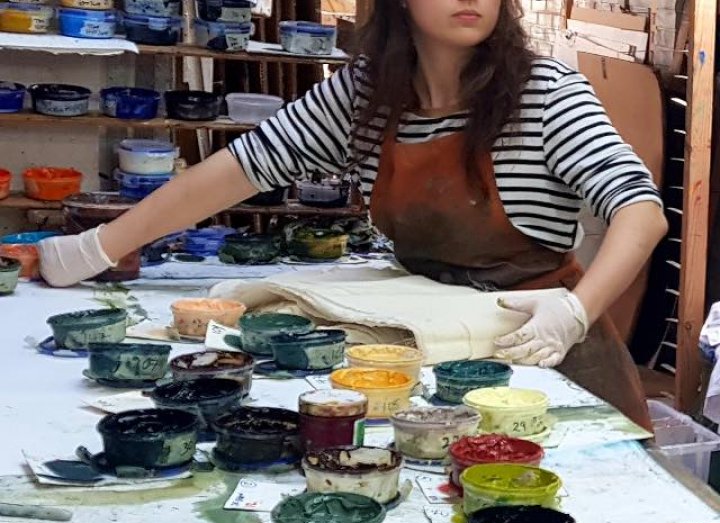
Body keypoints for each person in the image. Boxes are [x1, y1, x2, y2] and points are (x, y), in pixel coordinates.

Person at [38, 0, 668, 430]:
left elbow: (640, 212)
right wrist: (97, 246)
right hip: (428, 338)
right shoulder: (365, 94)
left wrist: (577, 309)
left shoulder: (544, 92)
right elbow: (240, 168)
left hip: (539, 345)